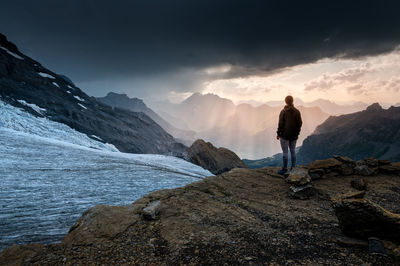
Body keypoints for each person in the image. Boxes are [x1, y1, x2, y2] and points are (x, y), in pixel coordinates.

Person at [276, 95, 302, 175]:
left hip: (284, 135)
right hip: (294, 136)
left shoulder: (283, 111)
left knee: (285, 152)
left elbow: (280, 124)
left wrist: (278, 133)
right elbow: (300, 123)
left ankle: (284, 169)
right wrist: (297, 132)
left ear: (286, 101)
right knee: (293, 151)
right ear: (292, 101)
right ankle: (293, 167)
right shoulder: (297, 111)